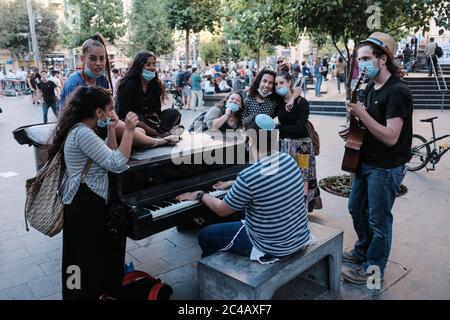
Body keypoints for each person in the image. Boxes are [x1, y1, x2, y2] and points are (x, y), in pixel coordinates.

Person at [176, 114, 314, 262]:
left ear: (249, 138)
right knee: (241, 212)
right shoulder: (288, 159)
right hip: (298, 237)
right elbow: (265, 183)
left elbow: (222, 210)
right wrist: (231, 184)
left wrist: (200, 195)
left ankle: (219, 275)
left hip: (273, 246)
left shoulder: (249, 176)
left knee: (205, 234)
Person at [46, 86, 139, 299]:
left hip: (84, 199)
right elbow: (116, 163)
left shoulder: (83, 130)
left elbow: (107, 154)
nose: (113, 112)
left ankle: (84, 293)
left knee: (82, 254)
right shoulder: (82, 133)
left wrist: (111, 130)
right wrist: (130, 130)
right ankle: (78, 296)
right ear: (98, 112)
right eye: (110, 108)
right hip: (84, 201)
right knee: (80, 257)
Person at [342, 32, 412, 284]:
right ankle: (363, 250)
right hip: (366, 160)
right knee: (355, 208)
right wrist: (352, 129)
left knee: (379, 219)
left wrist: (363, 113)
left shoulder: (398, 92)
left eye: (365, 58)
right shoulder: (371, 87)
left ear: (382, 59)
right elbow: (370, 125)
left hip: (386, 166)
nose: (361, 64)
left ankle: (373, 268)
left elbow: (392, 136)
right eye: (359, 59)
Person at [60, 34, 165, 147]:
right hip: (80, 133)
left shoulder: (102, 80)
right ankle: (158, 141)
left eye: (102, 58)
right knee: (128, 129)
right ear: (82, 59)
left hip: (103, 127)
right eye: (92, 58)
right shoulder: (75, 83)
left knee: (140, 132)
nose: (98, 63)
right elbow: (73, 119)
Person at [275, 71, 322, 212]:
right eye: (276, 84)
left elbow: (299, 127)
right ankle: (288, 207)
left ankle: (302, 208)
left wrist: (279, 126)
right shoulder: (278, 103)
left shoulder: (302, 103)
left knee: (303, 177)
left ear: (289, 82)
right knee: (286, 178)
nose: (279, 86)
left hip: (302, 146)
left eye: (281, 83)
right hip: (284, 146)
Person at [115, 50, 181, 143]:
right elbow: (123, 113)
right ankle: (160, 134)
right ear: (139, 67)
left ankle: (160, 133)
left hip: (151, 121)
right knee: (137, 119)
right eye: (148, 64)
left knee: (173, 113)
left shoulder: (154, 84)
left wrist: (154, 117)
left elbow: (157, 109)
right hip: (133, 122)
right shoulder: (128, 84)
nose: (152, 68)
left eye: (154, 64)